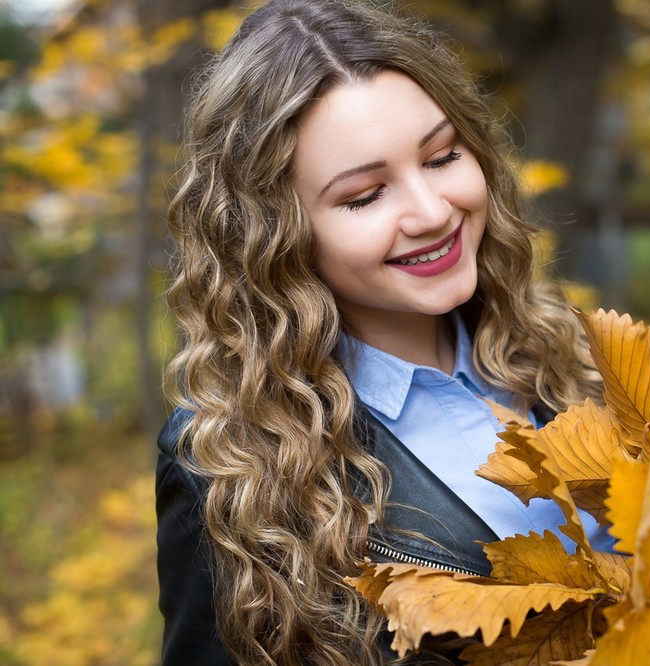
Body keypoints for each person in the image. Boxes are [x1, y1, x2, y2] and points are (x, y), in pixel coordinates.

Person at [155, 0, 611, 664]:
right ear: (275, 235)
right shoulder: (228, 466)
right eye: (364, 196)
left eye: (441, 157)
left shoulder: (574, 354)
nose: (431, 212)